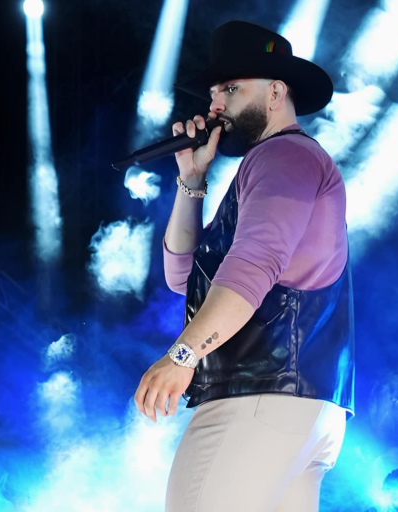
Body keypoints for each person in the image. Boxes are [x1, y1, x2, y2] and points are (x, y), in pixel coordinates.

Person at [132, 21, 355, 512]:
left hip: (259, 398)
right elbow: (182, 278)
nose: (215, 104)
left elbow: (253, 266)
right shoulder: (276, 163)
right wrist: (192, 180)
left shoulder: (283, 155)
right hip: (297, 407)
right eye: (213, 92)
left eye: (231, 89)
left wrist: (182, 357)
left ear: (276, 92)